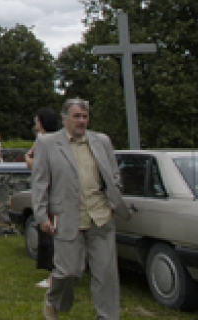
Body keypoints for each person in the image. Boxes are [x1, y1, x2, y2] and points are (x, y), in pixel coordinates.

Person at [32, 99, 128, 320]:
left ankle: (107, 316)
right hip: (67, 218)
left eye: (85, 116)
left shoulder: (101, 141)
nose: (81, 121)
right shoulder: (48, 144)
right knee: (67, 272)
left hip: (100, 217)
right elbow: (39, 183)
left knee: (106, 275)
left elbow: (113, 176)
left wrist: (113, 201)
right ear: (65, 118)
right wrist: (41, 216)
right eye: (77, 116)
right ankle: (53, 301)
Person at [26, 107, 62, 288]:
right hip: (61, 193)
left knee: (52, 237)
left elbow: (39, 168)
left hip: (49, 194)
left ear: (40, 122)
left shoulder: (44, 141)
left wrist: (28, 159)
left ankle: (54, 277)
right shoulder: (60, 140)